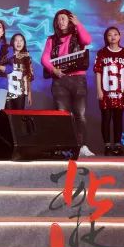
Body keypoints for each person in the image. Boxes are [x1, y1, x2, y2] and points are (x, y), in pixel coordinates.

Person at [41, 9, 93, 157]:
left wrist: (78, 24)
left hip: (78, 79)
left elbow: (87, 41)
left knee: (80, 114)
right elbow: (44, 58)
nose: (61, 21)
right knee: (62, 114)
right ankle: (64, 147)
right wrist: (54, 70)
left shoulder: (77, 34)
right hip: (59, 81)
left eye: (63, 18)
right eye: (58, 19)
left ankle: (82, 146)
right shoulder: (51, 39)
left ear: (69, 20)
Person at [94, 27, 124, 156]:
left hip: (120, 92)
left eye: (115, 34)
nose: (113, 37)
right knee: (106, 118)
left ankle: (117, 146)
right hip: (106, 91)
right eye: (109, 35)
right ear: (106, 38)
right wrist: (99, 89)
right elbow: (98, 72)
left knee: (118, 119)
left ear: (119, 36)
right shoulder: (102, 53)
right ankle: (107, 146)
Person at [5, 33, 34, 110]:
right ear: (12, 42)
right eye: (16, 40)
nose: (19, 43)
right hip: (8, 90)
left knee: (18, 114)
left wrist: (29, 93)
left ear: (24, 43)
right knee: (8, 115)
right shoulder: (7, 56)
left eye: (21, 41)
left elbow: (29, 76)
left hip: (21, 91)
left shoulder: (27, 57)